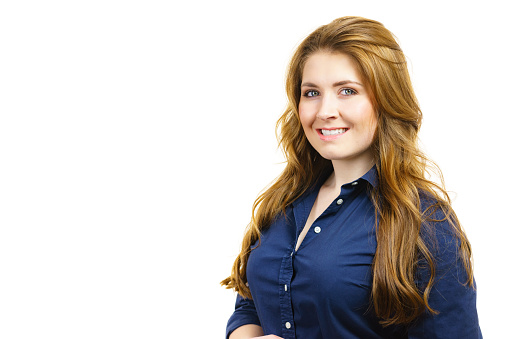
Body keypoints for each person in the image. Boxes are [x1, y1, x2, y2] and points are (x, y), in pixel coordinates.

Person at [221, 16, 481, 339]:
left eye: (347, 91)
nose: (325, 110)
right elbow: (250, 303)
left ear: (385, 99)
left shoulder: (426, 223)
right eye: (311, 92)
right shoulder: (284, 200)